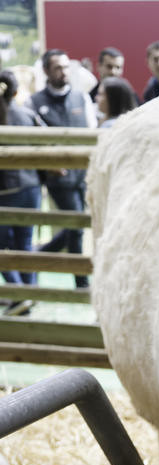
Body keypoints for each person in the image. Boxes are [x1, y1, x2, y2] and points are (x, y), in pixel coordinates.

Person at [28, 49, 97, 289]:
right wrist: (48, 163)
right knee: (76, 225)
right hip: (58, 176)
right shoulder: (34, 102)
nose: (63, 72)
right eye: (58, 67)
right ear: (46, 70)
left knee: (76, 224)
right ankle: (81, 283)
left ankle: (38, 255)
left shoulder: (82, 98)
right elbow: (30, 142)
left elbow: (93, 132)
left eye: (66, 67)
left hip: (85, 174)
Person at [0, 69, 43, 316]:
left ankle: (19, 292)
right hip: (30, 187)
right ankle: (31, 292)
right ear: (16, 91)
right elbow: (49, 142)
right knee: (25, 243)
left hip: (4, 191)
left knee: (3, 245)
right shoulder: (27, 114)